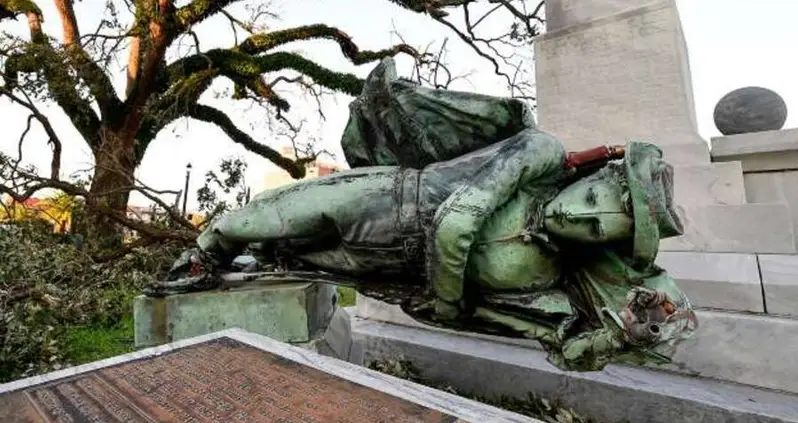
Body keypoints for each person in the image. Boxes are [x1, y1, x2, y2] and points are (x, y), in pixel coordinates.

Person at [147, 58, 697, 371]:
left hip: (392, 271)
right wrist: (451, 298)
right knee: (260, 219)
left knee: (287, 256)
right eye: (595, 206)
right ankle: (200, 257)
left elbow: (568, 353)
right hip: (389, 202)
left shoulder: (558, 283)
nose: (586, 222)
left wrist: (622, 336)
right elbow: (458, 220)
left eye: (602, 232)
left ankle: (228, 273)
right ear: (598, 182)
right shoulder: (541, 154)